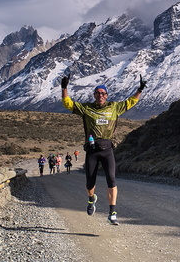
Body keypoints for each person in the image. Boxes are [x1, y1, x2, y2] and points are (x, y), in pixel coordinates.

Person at [60, 73, 146, 225]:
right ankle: (91, 199)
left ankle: (112, 212)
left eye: (103, 93)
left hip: (107, 149)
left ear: (106, 95)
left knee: (111, 180)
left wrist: (139, 90)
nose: (100, 95)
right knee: (89, 183)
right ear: (94, 95)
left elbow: (131, 102)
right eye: (97, 93)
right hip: (92, 150)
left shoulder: (114, 107)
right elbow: (68, 104)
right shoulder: (86, 108)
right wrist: (64, 88)